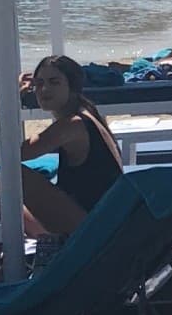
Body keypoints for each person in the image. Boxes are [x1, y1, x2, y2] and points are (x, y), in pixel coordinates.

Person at [15, 55, 126, 237]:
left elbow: (2, 156)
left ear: (73, 87)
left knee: (10, 176)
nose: (44, 89)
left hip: (95, 229)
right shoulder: (88, 112)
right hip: (107, 220)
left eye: (54, 82)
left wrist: (14, 99)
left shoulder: (71, 125)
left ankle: (29, 245)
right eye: (39, 83)